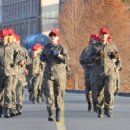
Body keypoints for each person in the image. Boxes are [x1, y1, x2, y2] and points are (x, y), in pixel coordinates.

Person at [84, 28, 122, 118]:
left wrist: (117, 61)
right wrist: (96, 56)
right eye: (102, 34)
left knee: (109, 90)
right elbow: (87, 60)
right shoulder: (94, 47)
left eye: (105, 34)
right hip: (97, 73)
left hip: (110, 72)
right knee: (98, 93)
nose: (104, 36)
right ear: (99, 35)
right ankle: (100, 107)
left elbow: (118, 59)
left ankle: (108, 108)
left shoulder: (112, 46)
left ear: (107, 35)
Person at [40, 29, 69, 122]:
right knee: (49, 94)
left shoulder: (61, 47)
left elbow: (66, 60)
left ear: (57, 38)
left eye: (54, 36)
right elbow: (42, 57)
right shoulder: (46, 47)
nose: (52, 38)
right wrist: (43, 57)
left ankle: (59, 113)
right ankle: (51, 112)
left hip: (59, 75)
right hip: (48, 75)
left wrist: (59, 55)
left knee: (59, 94)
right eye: (51, 36)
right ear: (49, 38)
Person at [80, 34, 99, 112]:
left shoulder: (98, 50)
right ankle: (90, 103)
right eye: (92, 40)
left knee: (95, 90)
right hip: (88, 72)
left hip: (96, 72)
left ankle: (95, 104)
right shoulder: (86, 50)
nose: (93, 42)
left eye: (94, 40)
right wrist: (85, 66)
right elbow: (81, 60)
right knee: (88, 91)